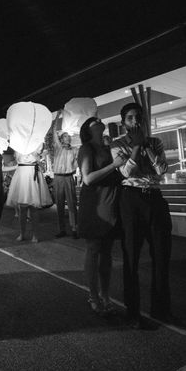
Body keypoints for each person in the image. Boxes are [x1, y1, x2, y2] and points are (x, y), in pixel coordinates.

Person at [111, 102, 177, 329]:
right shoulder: (118, 144)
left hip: (155, 198)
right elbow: (125, 172)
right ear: (123, 122)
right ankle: (133, 312)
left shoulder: (156, 142)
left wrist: (146, 146)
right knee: (132, 257)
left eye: (138, 117)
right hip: (131, 199)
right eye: (130, 118)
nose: (135, 121)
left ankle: (162, 309)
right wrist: (136, 147)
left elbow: (161, 170)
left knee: (161, 255)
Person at [77, 117, 125, 315]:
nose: (99, 120)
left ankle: (105, 295)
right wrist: (114, 165)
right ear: (88, 129)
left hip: (111, 201)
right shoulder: (86, 148)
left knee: (107, 252)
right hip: (94, 203)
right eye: (94, 121)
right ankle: (93, 295)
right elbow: (87, 178)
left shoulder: (109, 147)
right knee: (94, 248)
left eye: (99, 119)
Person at [5, 144, 53, 243]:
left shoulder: (36, 143)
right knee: (22, 208)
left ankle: (35, 235)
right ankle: (22, 233)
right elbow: (17, 157)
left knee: (34, 208)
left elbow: (38, 156)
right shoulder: (18, 144)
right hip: (22, 173)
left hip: (32, 172)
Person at [51, 114, 79, 238]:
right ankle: (61, 229)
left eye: (68, 136)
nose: (68, 138)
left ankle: (75, 228)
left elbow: (77, 163)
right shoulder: (57, 148)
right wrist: (58, 116)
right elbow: (53, 131)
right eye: (65, 136)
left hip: (68, 177)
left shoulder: (74, 150)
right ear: (61, 139)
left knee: (72, 203)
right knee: (60, 204)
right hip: (57, 178)